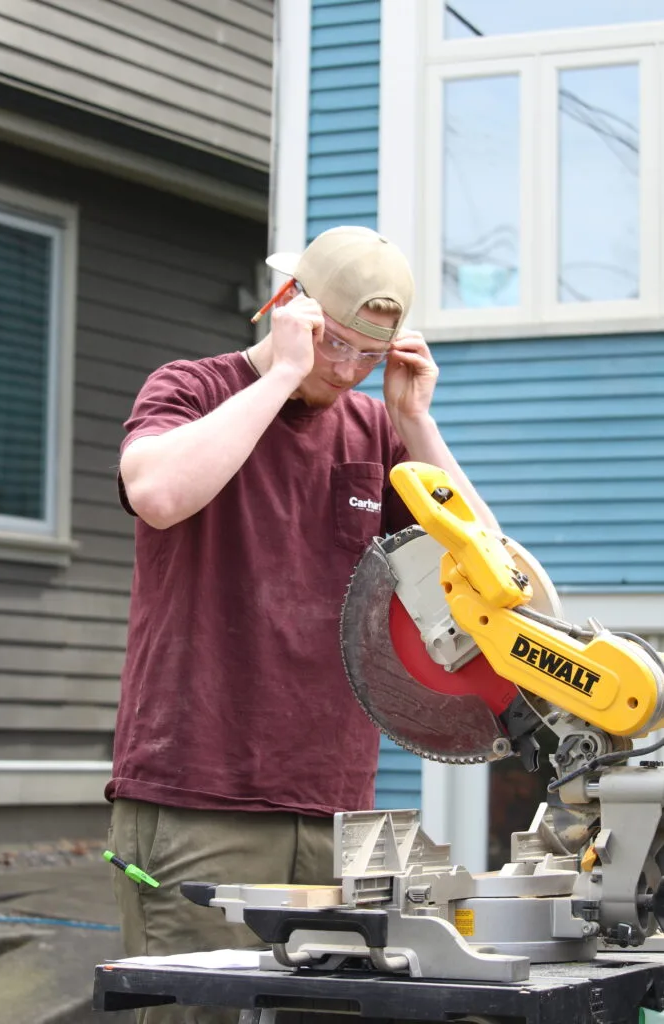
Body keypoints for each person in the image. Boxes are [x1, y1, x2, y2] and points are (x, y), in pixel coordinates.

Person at [106, 225, 498, 1023]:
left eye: (369, 355)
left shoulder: (376, 433)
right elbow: (157, 494)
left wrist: (417, 424)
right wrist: (283, 372)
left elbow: (488, 580)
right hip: (197, 796)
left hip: (335, 809)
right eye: (334, 344)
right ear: (289, 307)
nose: (347, 370)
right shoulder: (190, 387)